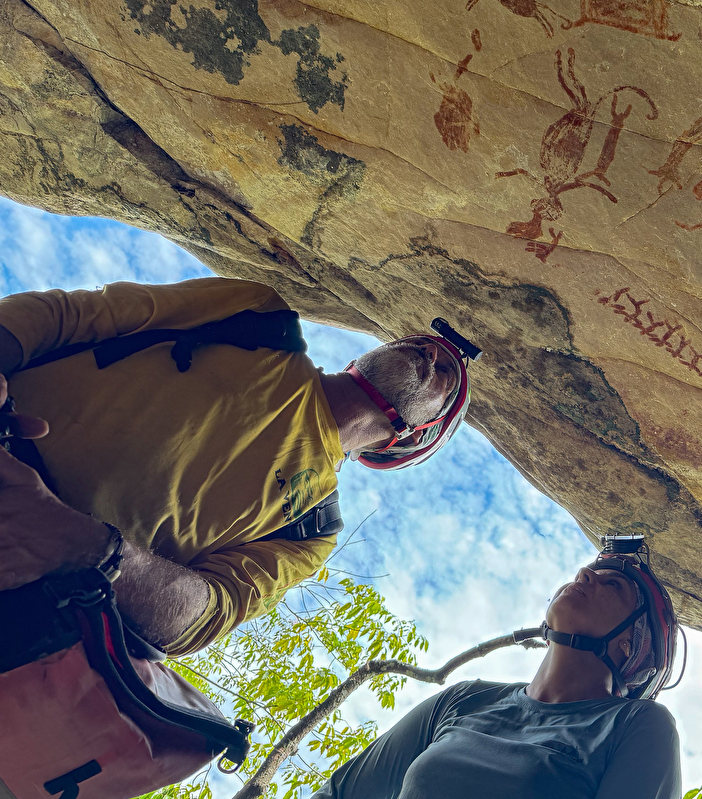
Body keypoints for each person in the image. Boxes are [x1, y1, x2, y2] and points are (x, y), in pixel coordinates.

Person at [0, 277, 477, 655]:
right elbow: (74, 316)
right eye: (422, 345)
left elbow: (200, 619)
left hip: (28, 583)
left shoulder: (309, 531)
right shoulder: (257, 316)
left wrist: (82, 546)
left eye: (447, 376)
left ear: (416, 435)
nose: (433, 352)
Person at [286, 537, 683, 799]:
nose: (583, 576)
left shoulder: (638, 727)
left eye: (612, 584)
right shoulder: (465, 699)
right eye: (589, 572)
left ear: (633, 643)